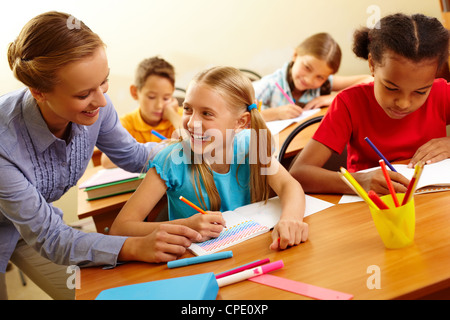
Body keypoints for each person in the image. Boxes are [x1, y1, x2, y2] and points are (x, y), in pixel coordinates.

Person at [0, 11, 201, 300]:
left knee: (100, 291)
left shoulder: (97, 106)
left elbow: (133, 155)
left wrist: (188, 150)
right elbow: (52, 238)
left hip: (33, 225)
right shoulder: (5, 145)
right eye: (83, 95)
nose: (102, 101)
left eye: (103, 82)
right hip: (34, 228)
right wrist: (133, 245)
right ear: (39, 92)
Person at [110, 66, 309, 250]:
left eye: (207, 113)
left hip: (252, 248)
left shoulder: (251, 144)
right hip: (196, 263)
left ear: (240, 122)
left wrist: (291, 219)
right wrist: (185, 225)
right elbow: (120, 228)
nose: (193, 122)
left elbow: (288, 186)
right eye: (187, 109)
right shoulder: (171, 160)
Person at [289, 13, 450, 195]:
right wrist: (360, 182)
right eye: (391, 87)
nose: (404, 103)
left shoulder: (441, 93)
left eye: (421, 91)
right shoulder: (349, 104)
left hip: (434, 204)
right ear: (372, 64)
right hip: (371, 210)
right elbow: (299, 173)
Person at [253, 32, 372, 122]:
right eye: (307, 67)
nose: (309, 80)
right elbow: (238, 115)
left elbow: (369, 81)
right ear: (295, 55)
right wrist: (275, 114)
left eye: (320, 77)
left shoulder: (325, 83)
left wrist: (332, 98)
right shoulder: (271, 84)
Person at [101, 56, 182, 168]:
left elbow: (196, 146)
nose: (159, 105)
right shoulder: (127, 123)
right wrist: (163, 149)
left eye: (166, 98)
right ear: (135, 92)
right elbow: (106, 162)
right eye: (151, 97)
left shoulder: (180, 118)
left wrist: (173, 115)